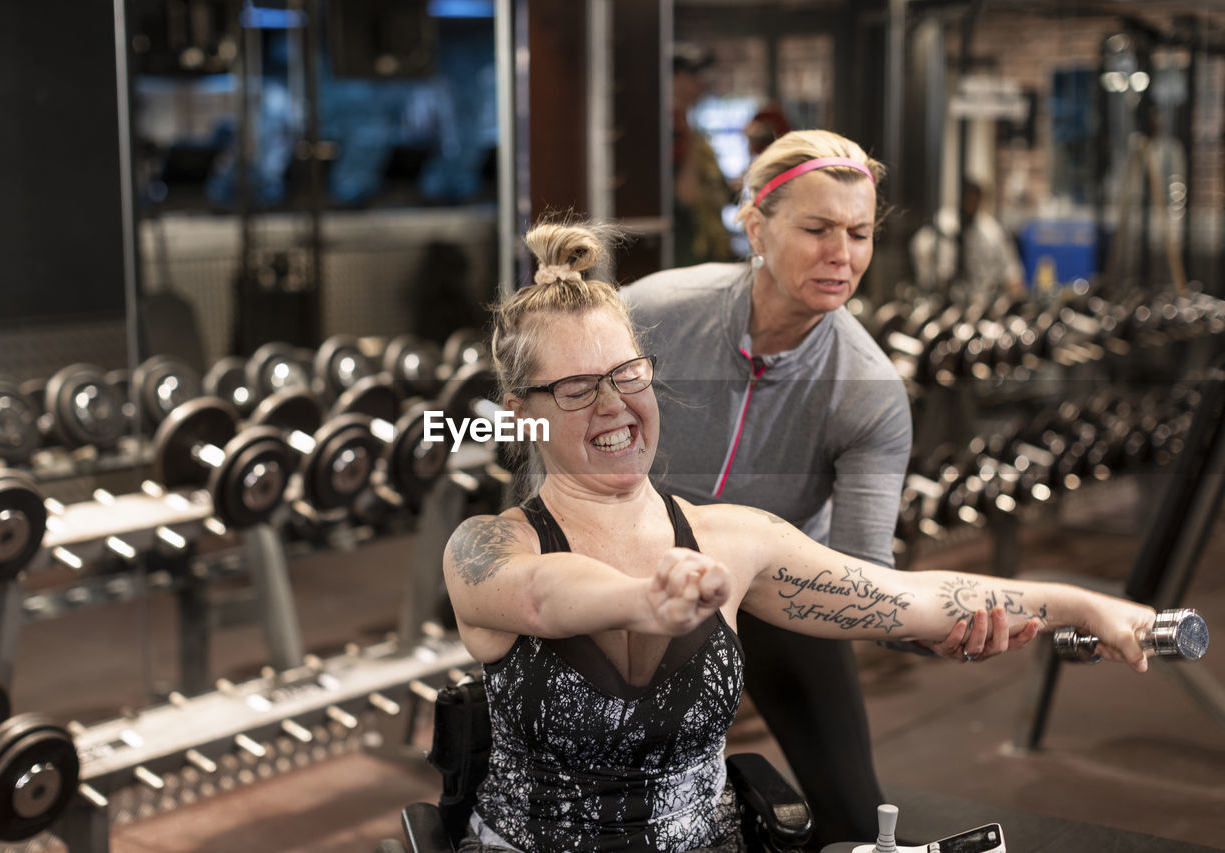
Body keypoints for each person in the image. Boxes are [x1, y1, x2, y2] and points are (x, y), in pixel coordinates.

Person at [442, 218, 1156, 852]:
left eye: (629, 373)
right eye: (576, 388)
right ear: (521, 413)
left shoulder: (731, 538)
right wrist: (644, 601)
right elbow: (542, 596)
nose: (614, 404)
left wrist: (1083, 605)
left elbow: (907, 595)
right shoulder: (488, 547)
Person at [624, 129, 998, 845]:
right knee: (612, 808)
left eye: (859, 233)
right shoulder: (655, 312)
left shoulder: (869, 391)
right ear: (756, 226)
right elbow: (553, 428)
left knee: (854, 815)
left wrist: (941, 633)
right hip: (632, 574)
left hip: (776, 592)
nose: (842, 254)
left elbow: (862, 581)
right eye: (818, 228)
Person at [910, 177, 1026, 302]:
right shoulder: (942, 225)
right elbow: (920, 250)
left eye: (975, 199)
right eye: (967, 198)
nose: (971, 203)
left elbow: (1012, 272)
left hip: (983, 302)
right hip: (943, 300)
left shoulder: (992, 232)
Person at [672, 44, 735, 267]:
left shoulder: (686, 123)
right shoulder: (670, 127)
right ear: (675, 78)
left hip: (705, 246)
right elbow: (687, 195)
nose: (701, 82)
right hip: (684, 250)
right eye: (693, 75)